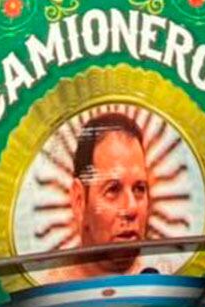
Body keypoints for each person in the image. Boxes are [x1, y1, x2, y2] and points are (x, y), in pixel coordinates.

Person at [45, 112, 152, 282]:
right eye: (113, 190)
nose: (131, 208)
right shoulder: (47, 292)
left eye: (139, 189)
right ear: (79, 200)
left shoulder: (168, 278)